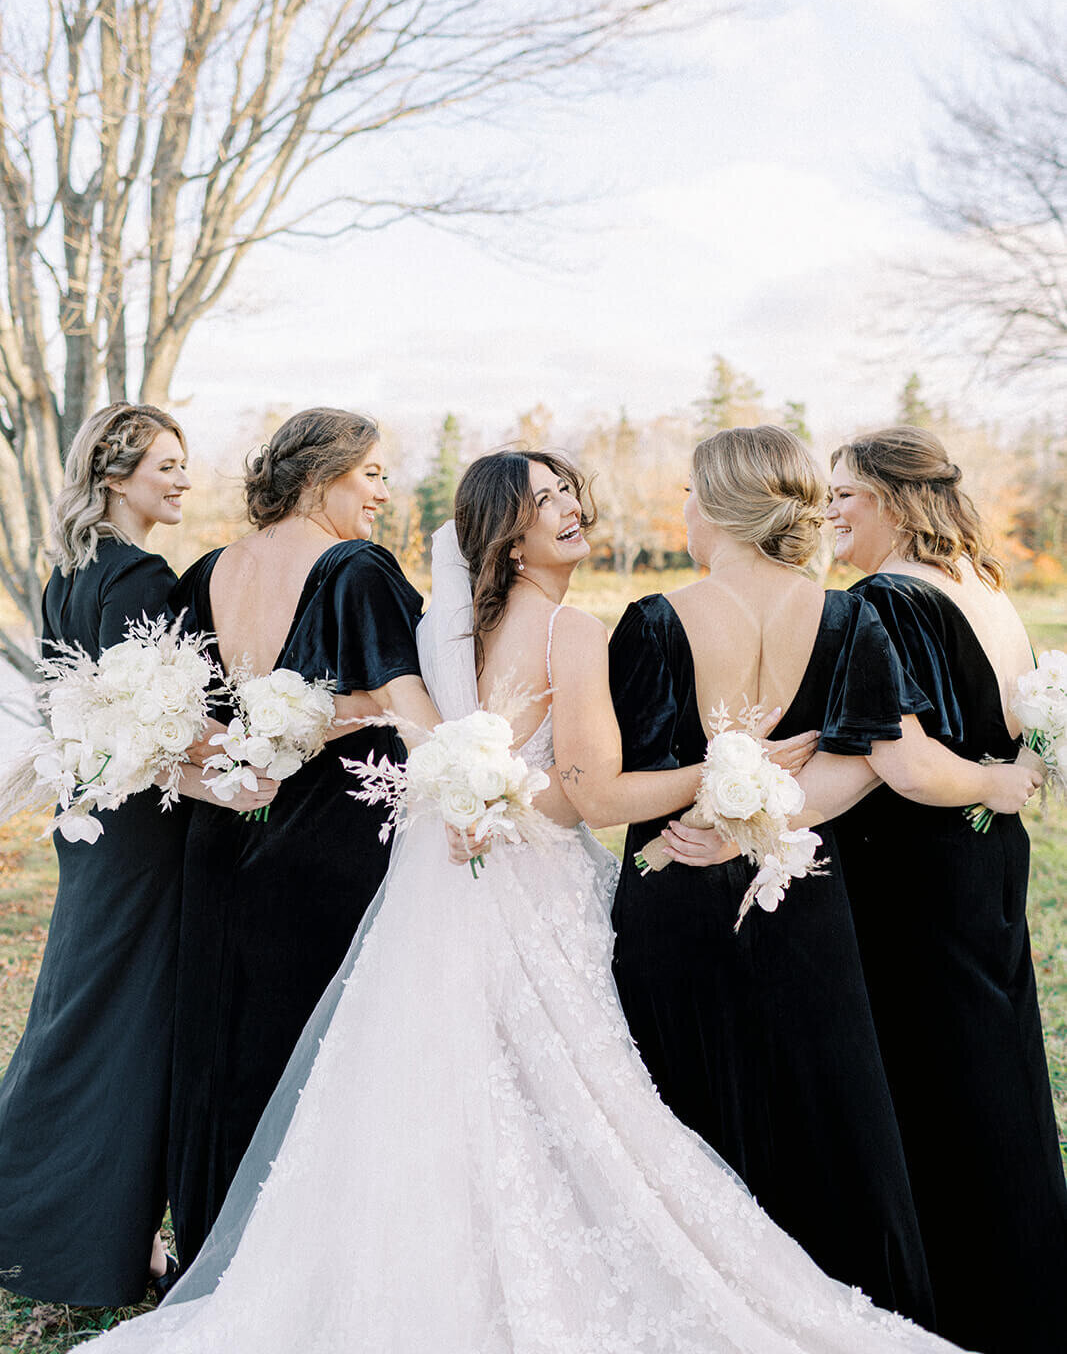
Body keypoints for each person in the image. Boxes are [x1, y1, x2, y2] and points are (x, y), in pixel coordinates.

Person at [78, 459, 969, 1354]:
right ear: (507, 531)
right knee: (565, 1085)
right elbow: (586, 791)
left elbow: (425, 740)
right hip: (532, 884)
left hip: (438, 888)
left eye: (570, 489)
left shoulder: (445, 629)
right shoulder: (573, 630)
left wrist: (474, 805)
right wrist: (733, 765)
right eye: (544, 500)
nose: (571, 506)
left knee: (437, 1078)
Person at [603, 425, 1037, 1327]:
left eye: (687, 492)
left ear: (717, 506)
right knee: (827, 1106)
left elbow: (611, 788)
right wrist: (762, 817)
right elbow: (865, 762)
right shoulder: (848, 616)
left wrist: (719, 819)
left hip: (675, 887)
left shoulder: (653, 619)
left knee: (682, 1098)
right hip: (809, 883)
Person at [0, 403, 272, 1309]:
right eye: (165, 465)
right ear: (115, 476)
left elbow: (76, 705)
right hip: (145, 832)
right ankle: (78, 1243)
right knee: (126, 1029)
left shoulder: (67, 574)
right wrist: (241, 760)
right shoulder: (142, 574)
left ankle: (52, 1223)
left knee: (77, 1012)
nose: (183, 480)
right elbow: (157, 719)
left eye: (184, 463)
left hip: (94, 823)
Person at [166, 408, 437, 1272]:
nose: (384, 493)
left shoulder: (208, 569)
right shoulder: (355, 569)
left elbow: (182, 721)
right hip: (330, 838)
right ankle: (312, 1261)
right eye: (372, 475)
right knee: (327, 1040)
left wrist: (240, 757)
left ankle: (222, 1245)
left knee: (227, 1041)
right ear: (322, 477)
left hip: (220, 836)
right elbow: (404, 698)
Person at [824, 426, 1067, 1354]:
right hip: (989, 858)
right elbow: (1020, 722)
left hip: (919, 864)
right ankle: (1028, 1286)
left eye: (843, 492)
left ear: (889, 498)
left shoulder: (883, 601)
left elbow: (912, 763)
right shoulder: (986, 586)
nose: (829, 510)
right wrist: (1006, 784)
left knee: (932, 1077)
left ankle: (963, 1301)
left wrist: (990, 783)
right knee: (995, 1066)